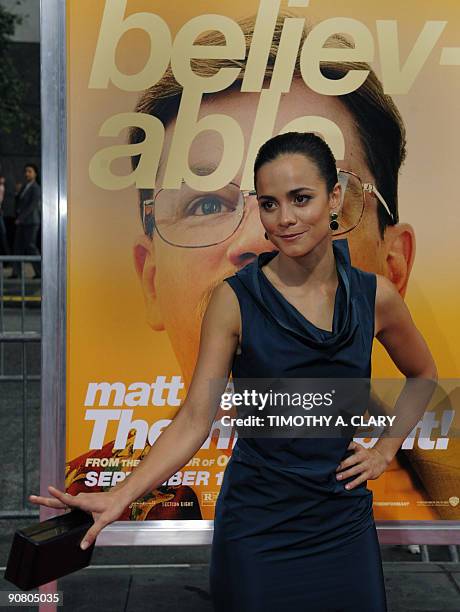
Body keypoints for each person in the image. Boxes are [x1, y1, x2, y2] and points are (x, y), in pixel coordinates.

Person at [30, 132, 437, 611]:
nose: (284, 219)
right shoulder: (235, 300)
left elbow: (423, 373)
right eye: (269, 203)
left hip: (342, 527)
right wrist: (121, 495)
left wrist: (385, 449)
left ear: (335, 198)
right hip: (257, 531)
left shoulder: (375, 298)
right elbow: (194, 418)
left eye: (301, 199)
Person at [11, 163, 41, 279]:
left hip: (31, 222)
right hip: (22, 222)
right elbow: (20, 203)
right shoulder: (24, 186)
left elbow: (32, 206)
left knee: (31, 246)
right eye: (26, 171)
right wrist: (17, 193)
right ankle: (16, 273)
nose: (27, 174)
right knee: (17, 247)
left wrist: (21, 218)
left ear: (35, 174)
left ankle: (39, 272)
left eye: (29, 171)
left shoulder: (36, 188)